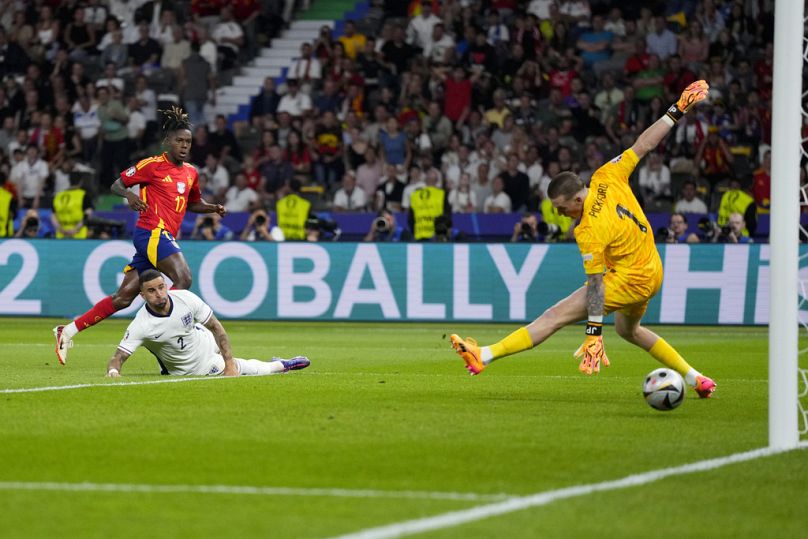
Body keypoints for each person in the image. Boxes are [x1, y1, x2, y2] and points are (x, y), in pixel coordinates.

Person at [449, 80, 717, 399]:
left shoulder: (588, 229)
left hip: (630, 278)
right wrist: (678, 108)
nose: (561, 215)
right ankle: (696, 378)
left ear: (576, 200)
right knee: (628, 331)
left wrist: (593, 333)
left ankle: (486, 355)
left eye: (562, 208)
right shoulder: (606, 175)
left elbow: (596, 286)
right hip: (652, 268)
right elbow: (644, 144)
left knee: (555, 316)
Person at [54, 107, 226, 365]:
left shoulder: (191, 172)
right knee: (184, 278)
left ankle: (67, 331)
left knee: (123, 298)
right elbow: (116, 184)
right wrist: (130, 195)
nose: (184, 145)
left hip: (160, 238)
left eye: (188, 141)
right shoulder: (152, 166)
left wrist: (211, 208)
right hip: (151, 232)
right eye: (179, 140)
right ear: (167, 142)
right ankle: (166, 327)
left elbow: (193, 202)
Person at [106, 270, 310, 378]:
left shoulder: (185, 298)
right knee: (249, 369)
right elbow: (118, 358)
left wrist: (229, 364)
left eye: (161, 287)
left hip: (202, 335)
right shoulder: (141, 325)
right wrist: (114, 372)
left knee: (231, 365)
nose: (160, 294)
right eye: (152, 291)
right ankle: (282, 364)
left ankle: (231, 362)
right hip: (197, 366)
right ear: (142, 295)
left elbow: (215, 326)